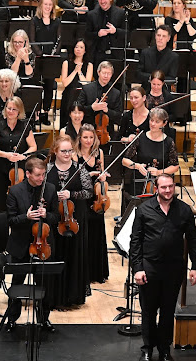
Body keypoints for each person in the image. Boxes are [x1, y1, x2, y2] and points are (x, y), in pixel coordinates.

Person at [130, 173, 196, 361]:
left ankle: (165, 351)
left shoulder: (184, 210)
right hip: (149, 268)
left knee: (168, 312)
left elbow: (193, 239)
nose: (168, 190)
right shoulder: (144, 210)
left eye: (170, 186)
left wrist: (195, 266)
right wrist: (138, 268)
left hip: (174, 268)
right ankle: (147, 350)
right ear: (156, 188)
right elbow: (135, 242)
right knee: (149, 312)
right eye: (163, 187)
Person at [5, 155, 59, 331]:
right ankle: (12, 318)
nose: (41, 178)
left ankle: (43, 319)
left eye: (43, 174)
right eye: (38, 175)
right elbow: (11, 220)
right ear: (27, 174)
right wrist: (25, 217)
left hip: (43, 244)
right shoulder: (15, 191)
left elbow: (56, 218)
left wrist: (46, 215)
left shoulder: (50, 190)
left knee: (44, 284)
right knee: (17, 282)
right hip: (21, 244)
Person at [46, 135, 93, 306]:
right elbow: (41, 193)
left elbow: (89, 192)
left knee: (73, 255)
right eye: (63, 151)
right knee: (55, 254)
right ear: (55, 151)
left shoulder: (80, 170)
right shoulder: (48, 168)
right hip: (54, 220)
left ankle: (72, 297)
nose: (67, 154)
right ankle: (53, 297)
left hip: (75, 220)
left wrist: (71, 194)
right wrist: (53, 196)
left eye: (70, 151)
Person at [121, 108, 179, 209]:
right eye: (151, 120)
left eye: (157, 121)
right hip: (138, 182)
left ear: (164, 123)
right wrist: (137, 166)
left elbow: (175, 166)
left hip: (159, 185)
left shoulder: (169, 142)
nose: (153, 124)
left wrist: (159, 172)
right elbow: (125, 160)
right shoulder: (140, 138)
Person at [0, 96, 37, 213]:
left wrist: (23, 156)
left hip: (20, 168)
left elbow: (33, 147)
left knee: (20, 200)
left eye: (14, 109)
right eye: (8, 108)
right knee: (0, 200)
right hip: (1, 168)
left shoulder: (25, 126)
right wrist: (6, 155)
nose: (10, 111)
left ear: (19, 111)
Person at [74, 125, 109, 284]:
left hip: (96, 198)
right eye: (85, 137)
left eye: (91, 137)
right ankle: (85, 273)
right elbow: (75, 179)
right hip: (83, 197)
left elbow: (102, 175)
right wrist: (89, 175)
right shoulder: (75, 155)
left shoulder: (99, 153)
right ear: (79, 139)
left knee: (97, 233)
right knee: (85, 234)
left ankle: (97, 272)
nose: (88, 141)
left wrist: (102, 178)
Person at [29, 0, 61, 125]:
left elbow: (59, 40)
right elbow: (32, 40)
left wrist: (53, 54)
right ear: (40, 6)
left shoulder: (57, 22)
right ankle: (35, 115)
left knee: (49, 87)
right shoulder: (34, 21)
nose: (47, 7)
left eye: (50, 5)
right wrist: (40, 54)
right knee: (37, 87)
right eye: (45, 4)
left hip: (51, 59)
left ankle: (45, 113)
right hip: (37, 58)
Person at [77, 61, 123, 140]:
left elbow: (119, 116)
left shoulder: (116, 93)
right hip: (87, 131)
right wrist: (92, 108)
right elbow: (78, 109)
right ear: (98, 72)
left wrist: (107, 110)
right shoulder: (87, 89)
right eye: (104, 73)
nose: (106, 76)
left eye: (109, 73)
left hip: (107, 134)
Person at [59, 39, 93, 129]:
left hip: (82, 95)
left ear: (85, 50)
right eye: (76, 47)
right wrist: (75, 71)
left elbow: (87, 84)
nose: (78, 49)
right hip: (69, 94)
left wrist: (79, 72)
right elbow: (65, 83)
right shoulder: (66, 63)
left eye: (81, 47)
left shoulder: (89, 65)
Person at [136, 25, 178, 92]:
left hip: (164, 91)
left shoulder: (173, 56)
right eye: (158, 35)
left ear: (168, 38)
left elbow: (172, 78)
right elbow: (138, 73)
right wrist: (152, 78)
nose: (160, 38)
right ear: (155, 36)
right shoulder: (145, 52)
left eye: (164, 36)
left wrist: (158, 80)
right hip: (146, 90)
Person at [85, 0, 126, 65]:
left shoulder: (121, 13)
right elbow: (87, 35)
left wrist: (116, 31)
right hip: (98, 54)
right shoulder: (91, 14)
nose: (102, 1)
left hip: (116, 55)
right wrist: (98, 34)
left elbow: (127, 33)